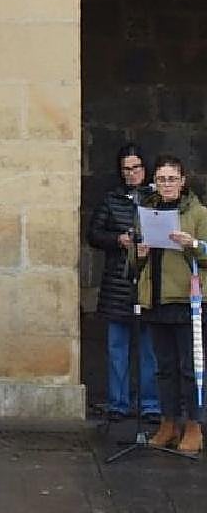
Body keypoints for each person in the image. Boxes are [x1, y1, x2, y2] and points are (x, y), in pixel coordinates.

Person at [134, 154, 207, 455]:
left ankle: (194, 425)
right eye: (161, 179)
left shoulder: (199, 213)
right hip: (155, 297)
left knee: (190, 368)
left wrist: (191, 244)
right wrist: (138, 251)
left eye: (172, 179)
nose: (166, 184)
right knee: (163, 368)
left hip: (185, 299)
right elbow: (135, 262)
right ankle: (168, 422)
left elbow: (206, 252)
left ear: (182, 181)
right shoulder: (147, 211)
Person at [88, 144, 160, 423]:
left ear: (145, 168)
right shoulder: (112, 199)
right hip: (118, 281)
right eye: (127, 169)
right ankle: (118, 402)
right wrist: (118, 239)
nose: (132, 174)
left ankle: (150, 404)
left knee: (148, 349)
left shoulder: (155, 198)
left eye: (136, 168)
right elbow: (94, 233)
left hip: (148, 279)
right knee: (117, 348)